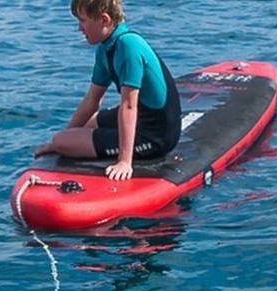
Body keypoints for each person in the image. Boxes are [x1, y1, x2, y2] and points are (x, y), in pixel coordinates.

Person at [34, 0, 181, 181]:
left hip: (156, 136)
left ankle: (124, 152)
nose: (79, 28)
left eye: (83, 20)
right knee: (72, 133)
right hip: (144, 118)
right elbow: (92, 100)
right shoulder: (106, 48)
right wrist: (62, 139)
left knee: (62, 141)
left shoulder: (129, 46)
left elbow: (128, 106)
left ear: (104, 19)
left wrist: (124, 161)